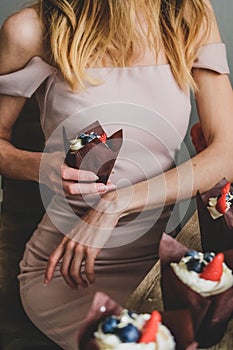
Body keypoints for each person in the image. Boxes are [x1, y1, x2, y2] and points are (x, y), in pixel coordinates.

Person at [0, 0, 233, 349]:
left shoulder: (190, 14)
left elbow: (225, 152)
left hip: (172, 257)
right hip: (70, 271)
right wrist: (40, 166)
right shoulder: (32, 30)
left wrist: (115, 203)